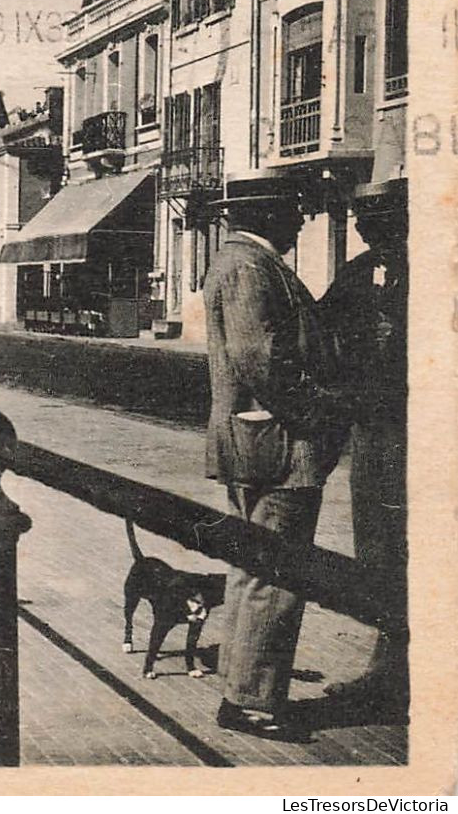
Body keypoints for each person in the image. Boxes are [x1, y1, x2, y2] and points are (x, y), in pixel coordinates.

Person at [202, 174, 351, 741]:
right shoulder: (249, 266)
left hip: (257, 443)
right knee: (277, 572)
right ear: (265, 215)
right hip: (279, 448)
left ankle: (240, 686)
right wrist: (323, 413)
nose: (300, 219)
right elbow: (261, 361)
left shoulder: (240, 261)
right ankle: (251, 701)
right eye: (291, 210)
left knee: (252, 567)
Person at [317, 177, 409, 714]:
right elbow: (321, 327)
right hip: (374, 434)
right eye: (362, 220)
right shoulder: (358, 273)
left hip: (416, 432)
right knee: (377, 548)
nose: (367, 229)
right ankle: (387, 668)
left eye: (377, 219)